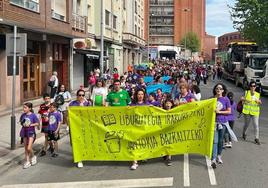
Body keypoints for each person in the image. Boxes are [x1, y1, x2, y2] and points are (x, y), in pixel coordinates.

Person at [69, 89, 91, 168]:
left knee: (83, 141)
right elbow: (68, 114)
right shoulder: (72, 104)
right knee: (74, 142)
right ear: (77, 96)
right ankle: (78, 156)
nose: (81, 97)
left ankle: (80, 158)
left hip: (84, 126)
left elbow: (90, 114)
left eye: (83, 95)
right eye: (80, 95)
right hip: (74, 126)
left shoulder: (88, 103)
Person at [211, 83, 231, 169]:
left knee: (220, 141)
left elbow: (229, 111)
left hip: (222, 123)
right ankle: (213, 159)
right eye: (217, 88)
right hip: (214, 123)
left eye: (220, 88)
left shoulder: (226, 99)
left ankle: (219, 156)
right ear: (215, 90)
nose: (218, 89)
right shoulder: (212, 99)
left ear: (223, 90)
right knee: (214, 141)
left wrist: (220, 112)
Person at [130, 89, 149, 170]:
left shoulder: (147, 104)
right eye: (139, 94)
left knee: (143, 143)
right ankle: (135, 162)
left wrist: (152, 108)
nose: (140, 96)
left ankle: (143, 156)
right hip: (135, 128)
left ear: (144, 95)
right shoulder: (132, 105)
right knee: (134, 145)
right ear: (136, 95)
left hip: (144, 128)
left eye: (142, 94)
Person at [19, 102, 40, 169]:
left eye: (25, 107)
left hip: (31, 133)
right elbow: (21, 122)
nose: (24, 109)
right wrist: (23, 124)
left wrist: (30, 125)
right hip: (24, 132)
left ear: (30, 108)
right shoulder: (23, 115)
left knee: (29, 148)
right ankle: (27, 161)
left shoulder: (33, 115)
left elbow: (37, 123)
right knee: (25, 148)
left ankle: (33, 156)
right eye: (23, 107)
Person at [241, 81, 262, 145]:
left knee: (256, 125)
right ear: (249, 87)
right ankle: (244, 133)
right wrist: (246, 100)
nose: (253, 87)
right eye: (251, 86)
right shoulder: (246, 92)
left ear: (255, 87)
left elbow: (260, 103)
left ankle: (256, 138)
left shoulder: (257, 94)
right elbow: (242, 101)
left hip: (255, 112)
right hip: (247, 112)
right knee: (246, 125)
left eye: (254, 86)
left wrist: (258, 101)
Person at [163, 99, 174, 166]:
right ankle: (165, 155)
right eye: (166, 103)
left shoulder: (175, 111)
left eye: (169, 103)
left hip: (171, 131)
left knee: (169, 143)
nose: (168, 105)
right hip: (163, 131)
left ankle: (169, 158)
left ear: (171, 104)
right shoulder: (162, 111)